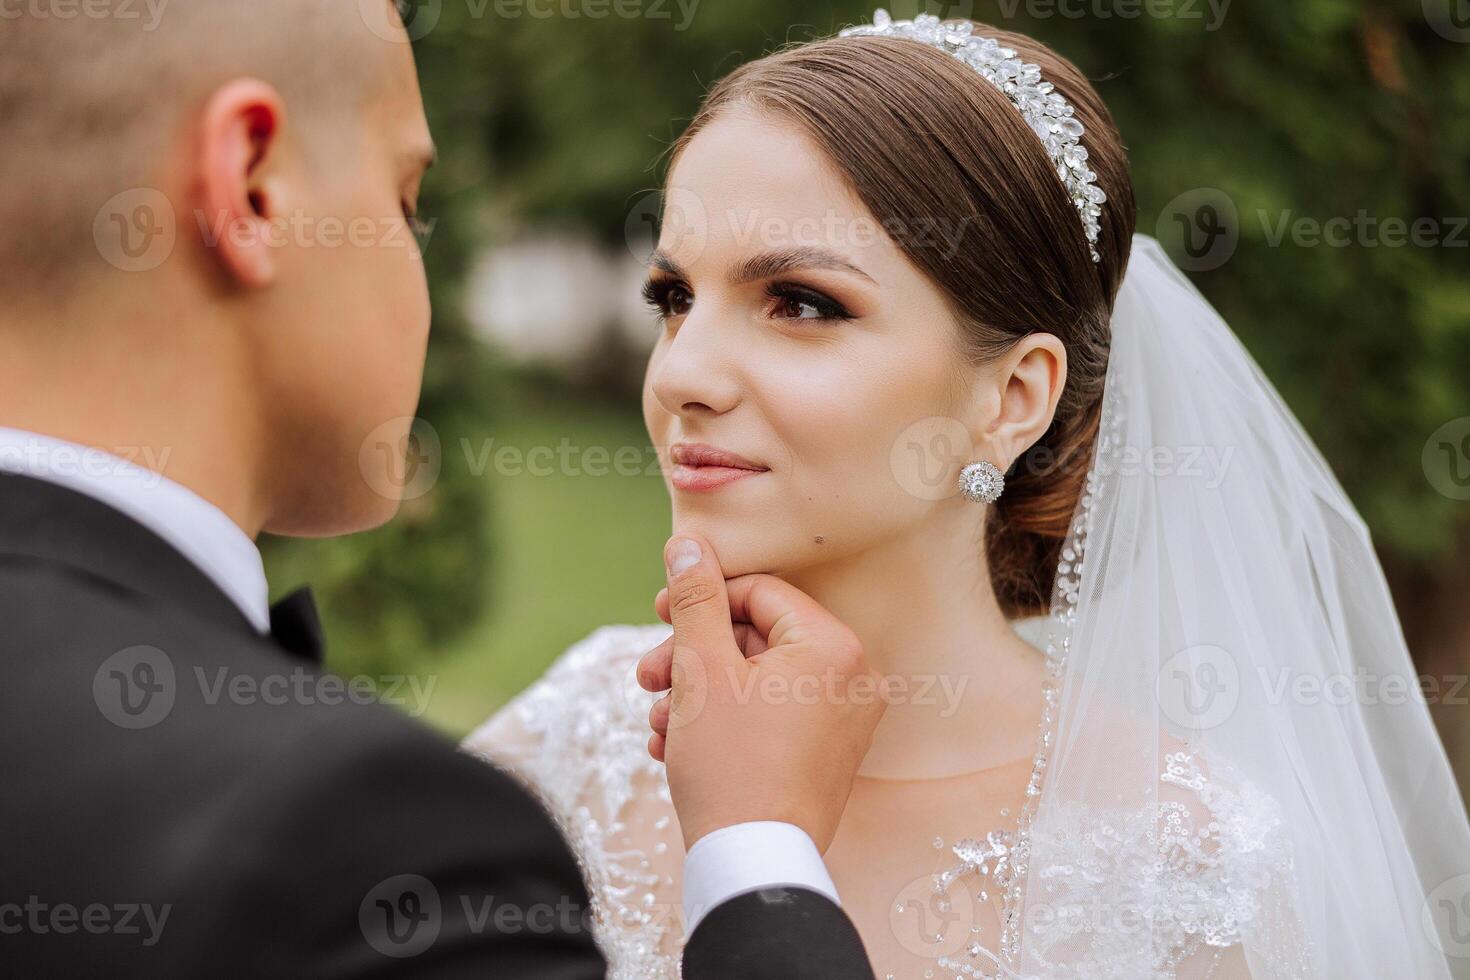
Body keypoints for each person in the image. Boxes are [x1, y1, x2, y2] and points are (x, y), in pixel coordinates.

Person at [465, 10, 1470, 979]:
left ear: (1011, 396)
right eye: (675, 297)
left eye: (802, 303)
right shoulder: (577, 735)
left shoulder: (1184, 870)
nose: (684, 373)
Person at [0, 3, 881, 976]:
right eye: (407, 197)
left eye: (801, 302)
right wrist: (758, 853)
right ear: (250, 186)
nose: (680, 376)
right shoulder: (355, 844)